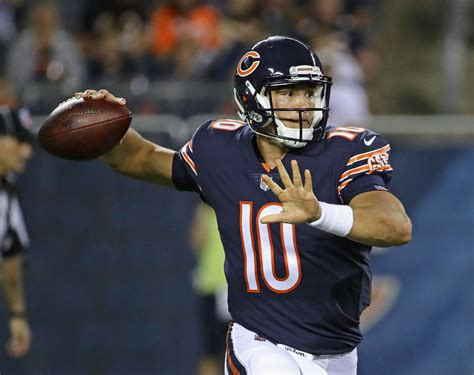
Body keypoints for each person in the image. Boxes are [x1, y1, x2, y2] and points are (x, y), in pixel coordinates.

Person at [76, 36, 412, 374]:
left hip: (336, 351)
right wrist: (108, 126)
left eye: (309, 92)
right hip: (260, 342)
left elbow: (396, 226)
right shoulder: (220, 149)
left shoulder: (344, 152)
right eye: (288, 92)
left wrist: (321, 213)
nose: (303, 104)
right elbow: (140, 159)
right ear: (253, 98)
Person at [0, 78, 33, 358]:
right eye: (19, 141)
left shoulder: (7, 191)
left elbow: (10, 257)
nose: (27, 152)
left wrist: (17, 313)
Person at [189, 201, 230, 375]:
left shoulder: (213, 203)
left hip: (227, 286)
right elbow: (196, 240)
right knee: (214, 353)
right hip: (218, 286)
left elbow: (196, 240)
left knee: (215, 353)